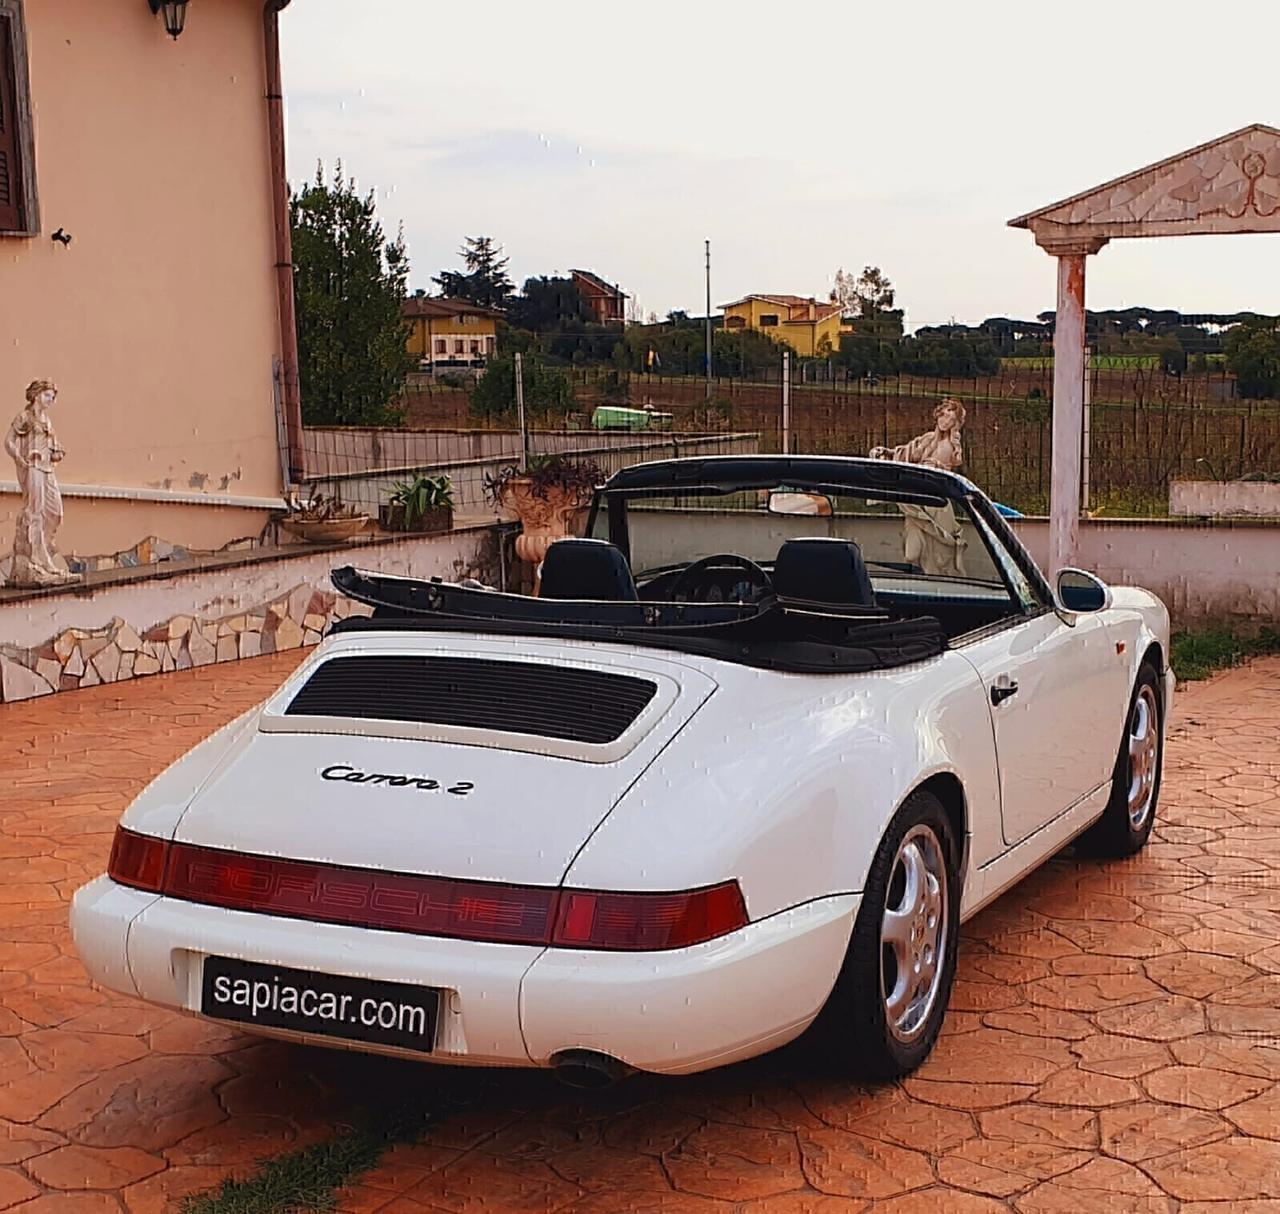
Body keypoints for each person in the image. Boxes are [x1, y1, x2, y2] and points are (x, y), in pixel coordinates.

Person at [869, 398, 968, 577]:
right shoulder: (928, 438)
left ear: (955, 424)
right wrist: (888, 453)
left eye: (950, 419)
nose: (945, 421)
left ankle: (938, 585)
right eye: (944, 415)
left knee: (938, 558)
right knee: (911, 554)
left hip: (934, 505)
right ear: (938, 415)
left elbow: (930, 473)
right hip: (916, 505)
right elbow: (908, 454)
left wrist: (929, 468)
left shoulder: (949, 446)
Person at [5, 380, 78, 587]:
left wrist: (57, 452)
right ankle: (37, 559)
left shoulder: (47, 420)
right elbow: (8, 441)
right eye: (48, 395)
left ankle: (43, 551)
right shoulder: (25, 417)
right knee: (34, 512)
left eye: (53, 397)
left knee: (55, 512)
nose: (51, 400)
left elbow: (54, 446)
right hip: (33, 467)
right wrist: (18, 457)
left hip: (47, 469)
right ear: (37, 395)